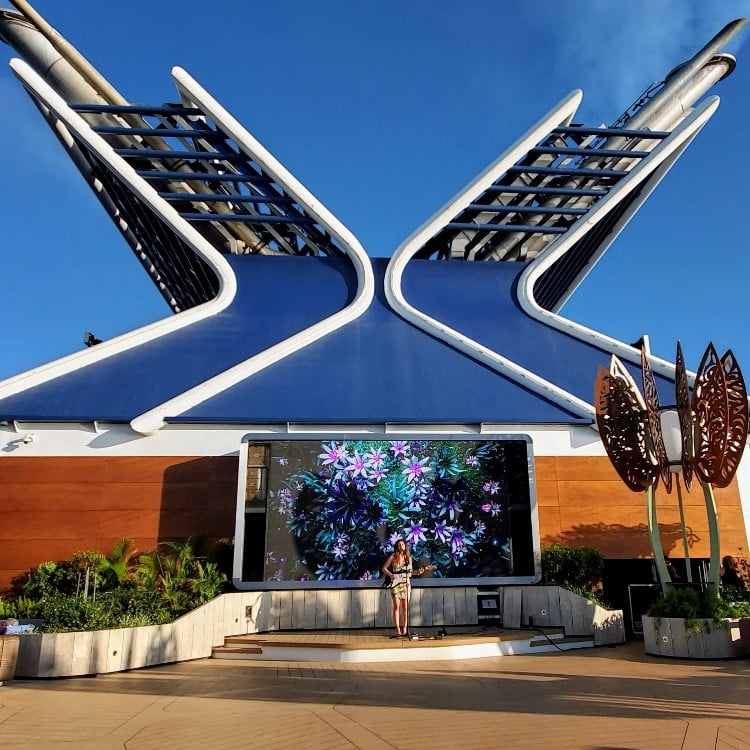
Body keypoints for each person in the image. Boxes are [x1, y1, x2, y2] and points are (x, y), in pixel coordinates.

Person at [382, 539, 413, 637]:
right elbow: (384, 568)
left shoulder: (408, 558)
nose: (401, 546)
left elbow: (410, 572)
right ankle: (397, 629)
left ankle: (404, 628)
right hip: (396, 584)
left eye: (403, 544)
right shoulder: (393, 557)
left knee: (405, 607)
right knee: (396, 606)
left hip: (405, 583)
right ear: (397, 547)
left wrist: (417, 573)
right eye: (399, 545)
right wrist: (391, 575)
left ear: (405, 546)